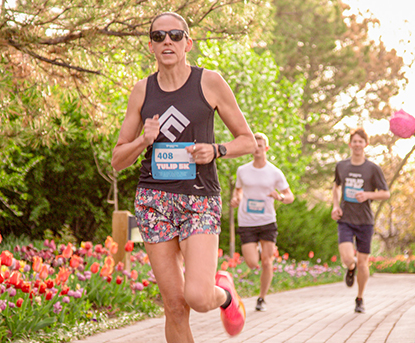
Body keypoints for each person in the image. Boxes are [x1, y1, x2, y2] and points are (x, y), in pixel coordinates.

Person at [111, 12, 255, 341]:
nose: (167, 41)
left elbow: (246, 140)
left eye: (175, 35)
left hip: (199, 198)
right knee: (175, 305)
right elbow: (118, 159)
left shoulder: (210, 82)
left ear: (187, 43)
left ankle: (226, 295)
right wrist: (143, 140)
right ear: (150, 46)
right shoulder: (142, 91)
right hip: (154, 201)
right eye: (159, 36)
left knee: (199, 297)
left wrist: (216, 150)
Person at [230, 132, 295, 312]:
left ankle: (261, 298)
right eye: (254, 145)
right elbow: (238, 191)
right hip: (247, 221)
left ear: (266, 148)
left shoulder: (274, 172)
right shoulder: (242, 170)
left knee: (267, 262)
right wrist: (236, 199)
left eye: (260, 145)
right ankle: (257, 249)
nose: (257, 148)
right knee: (252, 262)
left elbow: (290, 196)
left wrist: (280, 197)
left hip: (267, 220)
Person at [330, 127, 390, 313]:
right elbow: (335, 187)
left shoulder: (372, 169)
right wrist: (335, 206)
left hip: (365, 221)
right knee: (348, 257)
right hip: (346, 218)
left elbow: (385, 193)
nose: (357, 144)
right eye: (354, 141)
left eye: (360, 141)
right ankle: (351, 267)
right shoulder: (342, 166)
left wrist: (367, 195)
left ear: (365, 144)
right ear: (350, 144)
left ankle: (360, 298)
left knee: (364, 263)